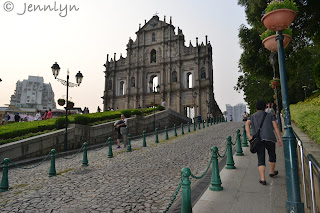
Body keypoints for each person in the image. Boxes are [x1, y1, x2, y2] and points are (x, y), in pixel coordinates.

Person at [245, 100, 282, 185]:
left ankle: (263, 179)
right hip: (270, 138)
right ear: (265, 107)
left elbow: (247, 124)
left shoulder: (252, 116)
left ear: (256, 107)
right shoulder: (270, 116)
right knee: (272, 154)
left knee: (261, 157)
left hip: (258, 140)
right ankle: (272, 172)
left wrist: (249, 136)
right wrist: (279, 138)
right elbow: (276, 126)